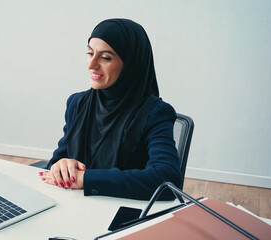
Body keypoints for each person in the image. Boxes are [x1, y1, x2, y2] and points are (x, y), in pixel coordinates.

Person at [39, 18, 181, 200]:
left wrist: (87, 178)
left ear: (131, 63)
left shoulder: (155, 113)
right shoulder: (77, 103)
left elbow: (167, 180)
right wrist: (62, 165)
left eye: (105, 57)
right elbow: (58, 159)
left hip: (122, 211)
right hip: (74, 205)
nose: (91, 64)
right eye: (90, 53)